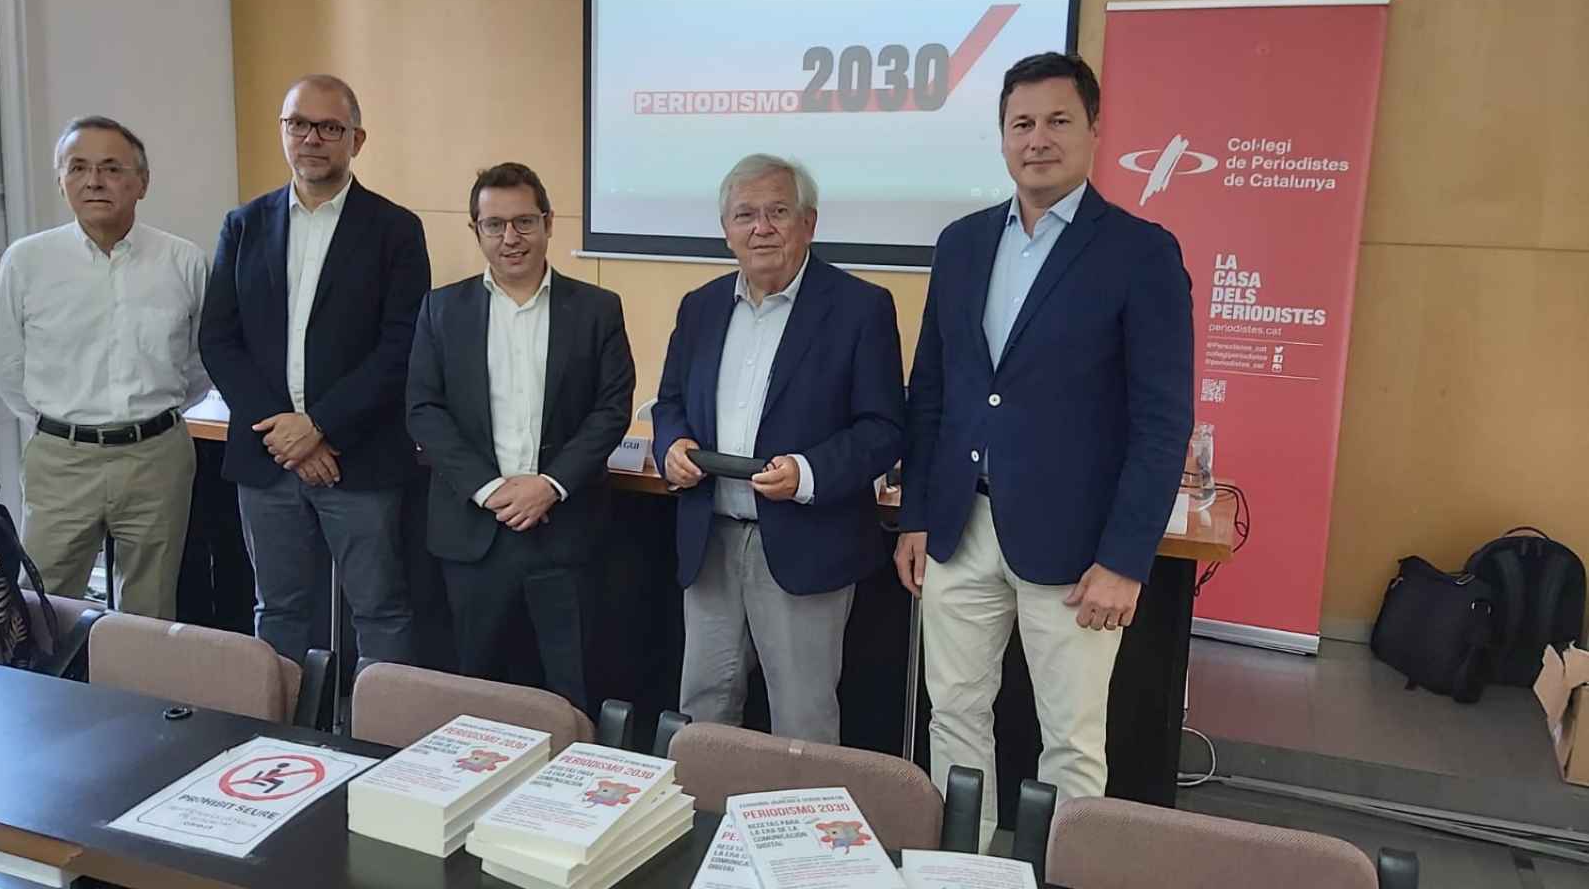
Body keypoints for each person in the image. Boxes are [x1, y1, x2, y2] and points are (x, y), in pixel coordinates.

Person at [895, 52, 1194, 847]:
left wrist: (1127, 559)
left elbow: (1163, 421)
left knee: (1070, 740)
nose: (1038, 139)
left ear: (1095, 132)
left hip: (1078, 549)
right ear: (1001, 138)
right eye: (1021, 123)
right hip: (960, 529)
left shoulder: (1140, 252)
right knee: (953, 715)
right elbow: (933, 392)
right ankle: (966, 867)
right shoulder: (960, 245)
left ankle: (1063, 869)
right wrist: (917, 516)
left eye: (1059, 120)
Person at [652, 154, 905, 744]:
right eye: (745, 215)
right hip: (710, 537)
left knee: (802, 720)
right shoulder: (701, 306)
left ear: (808, 223)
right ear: (726, 229)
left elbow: (884, 427)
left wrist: (809, 473)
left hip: (804, 543)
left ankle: (806, 838)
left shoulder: (860, 308)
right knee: (703, 708)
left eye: (776, 212)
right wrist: (672, 445)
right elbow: (669, 404)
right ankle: (705, 825)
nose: (760, 228)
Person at [200, 74, 429, 664]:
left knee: (379, 609)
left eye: (329, 127)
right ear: (283, 132)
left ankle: (382, 739)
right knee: (276, 610)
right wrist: (287, 434)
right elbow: (219, 340)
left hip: (360, 456)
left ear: (357, 139)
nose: (312, 138)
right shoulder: (243, 225)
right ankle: (274, 739)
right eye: (298, 124)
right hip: (266, 458)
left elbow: (402, 346)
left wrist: (321, 425)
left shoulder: (396, 230)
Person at [405, 163, 635, 712]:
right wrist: (488, 489)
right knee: (473, 697)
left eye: (524, 222)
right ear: (476, 230)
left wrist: (551, 485)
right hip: (472, 533)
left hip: (565, 531)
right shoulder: (441, 309)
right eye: (495, 224)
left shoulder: (597, 309)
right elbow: (423, 409)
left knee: (572, 696)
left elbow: (611, 409)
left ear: (549, 223)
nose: (511, 238)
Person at [0, 116, 208, 619]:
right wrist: (65, 423)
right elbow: (7, 365)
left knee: (150, 608)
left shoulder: (184, 262)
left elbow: (199, 363)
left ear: (142, 182)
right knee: (44, 603)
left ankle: (137, 698)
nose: (94, 180)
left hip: (157, 457)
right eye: (79, 167)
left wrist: (151, 414)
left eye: (112, 168)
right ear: (60, 179)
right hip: (61, 460)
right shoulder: (26, 262)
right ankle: (46, 698)